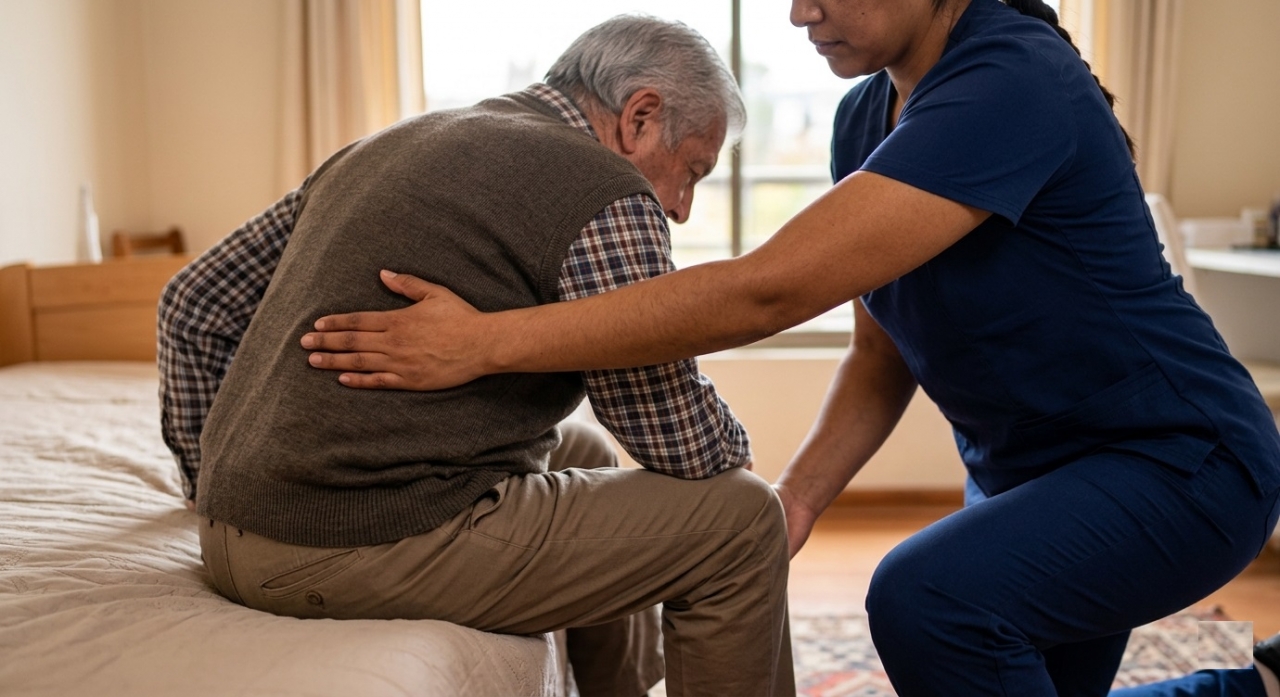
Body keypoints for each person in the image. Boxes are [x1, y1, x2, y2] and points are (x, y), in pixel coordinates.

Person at [301, 0, 1280, 695]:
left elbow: (769, 287)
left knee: (924, 598)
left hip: (1174, 458)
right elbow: (878, 349)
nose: (797, 12)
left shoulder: (1015, 79)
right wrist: (796, 501)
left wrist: (485, 344)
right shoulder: (865, 119)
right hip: (1031, 477)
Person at [158, 15, 796, 697]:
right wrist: (737, 451)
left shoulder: (396, 142)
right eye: (691, 172)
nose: (681, 208)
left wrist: (210, 480)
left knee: (583, 448)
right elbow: (676, 437)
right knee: (744, 519)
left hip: (231, 531)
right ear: (641, 116)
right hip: (345, 542)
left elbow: (191, 305)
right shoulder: (601, 188)